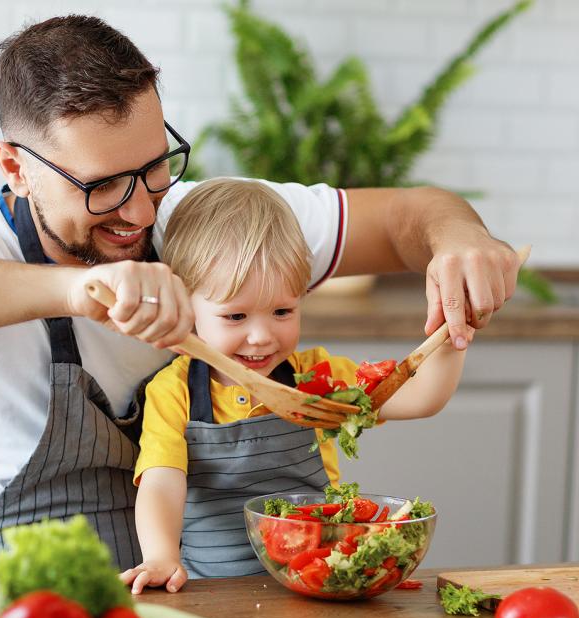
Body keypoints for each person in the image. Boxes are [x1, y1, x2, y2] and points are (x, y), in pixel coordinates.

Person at [0, 15, 519, 572]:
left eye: (154, 167)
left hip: (172, 595)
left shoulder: (209, 224)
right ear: (15, 168)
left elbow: (408, 216)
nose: (141, 210)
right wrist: (75, 288)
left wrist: (458, 238)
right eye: (101, 186)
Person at [118, 179, 464, 594]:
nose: (261, 336)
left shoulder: (318, 376)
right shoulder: (174, 391)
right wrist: (160, 557)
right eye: (235, 316)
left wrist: (452, 337)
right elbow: (161, 481)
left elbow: (420, 398)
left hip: (315, 583)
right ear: (186, 308)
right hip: (212, 590)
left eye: (282, 311)